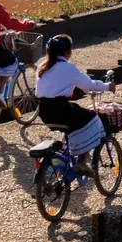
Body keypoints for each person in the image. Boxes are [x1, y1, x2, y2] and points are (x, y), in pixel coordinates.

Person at [35, 34, 110, 168]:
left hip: (44, 111)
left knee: (73, 125)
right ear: (68, 52)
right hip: (61, 110)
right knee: (93, 119)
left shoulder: (42, 66)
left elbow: (50, 86)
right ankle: (81, 161)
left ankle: (62, 168)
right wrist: (107, 86)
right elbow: (89, 85)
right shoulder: (67, 67)